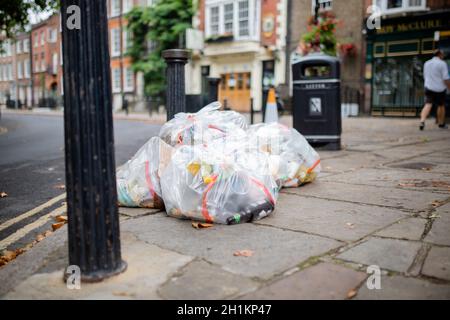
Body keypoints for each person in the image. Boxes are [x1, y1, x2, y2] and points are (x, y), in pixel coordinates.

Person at [420, 49, 450, 130]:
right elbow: (445, 78)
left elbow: (425, 76)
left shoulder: (427, 63)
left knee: (428, 104)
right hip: (440, 88)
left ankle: (422, 121)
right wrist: (449, 87)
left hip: (428, 87)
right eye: (443, 54)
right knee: (441, 105)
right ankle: (441, 123)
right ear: (440, 54)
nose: (443, 56)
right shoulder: (442, 63)